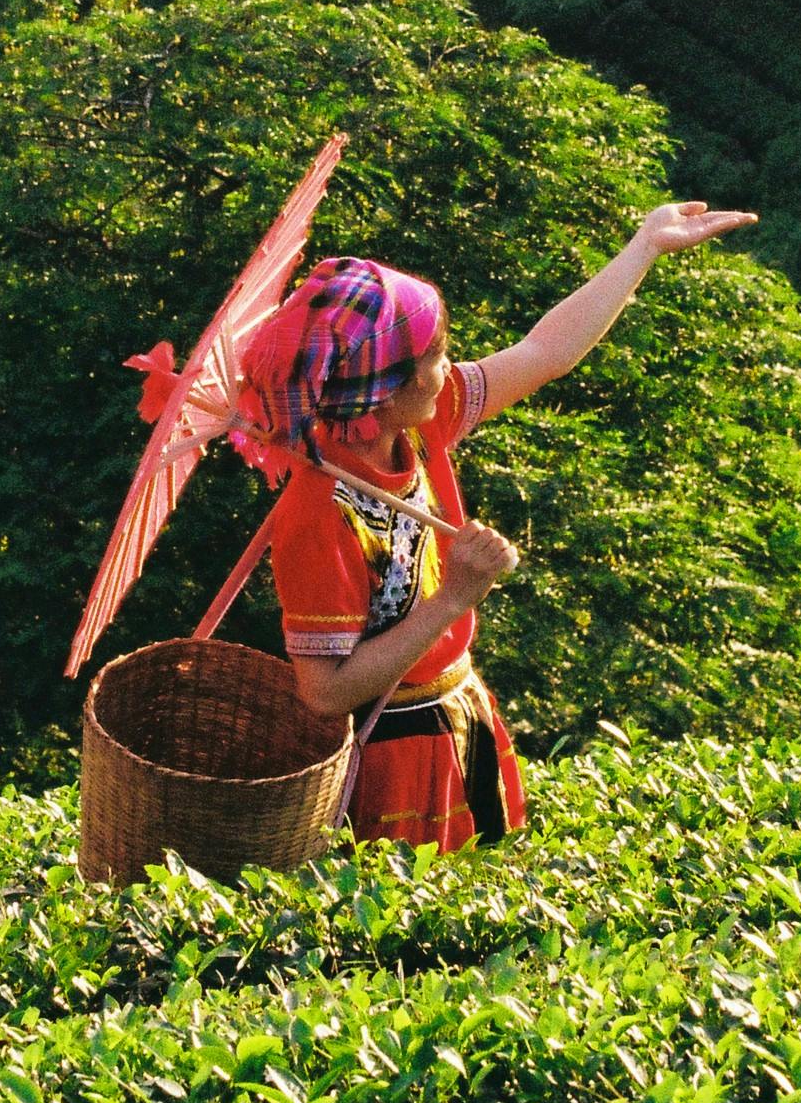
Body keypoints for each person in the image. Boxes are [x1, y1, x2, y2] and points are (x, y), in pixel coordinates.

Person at [252, 201, 756, 853]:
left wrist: (645, 246)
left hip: (461, 718)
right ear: (382, 390)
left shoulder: (421, 421)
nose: (450, 367)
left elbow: (546, 350)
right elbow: (325, 692)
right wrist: (453, 597)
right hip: (389, 757)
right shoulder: (317, 515)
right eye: (436, 354)